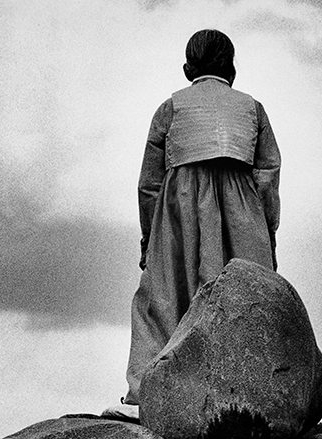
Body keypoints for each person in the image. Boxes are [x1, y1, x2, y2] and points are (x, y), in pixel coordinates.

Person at [122, 28, 281, 408]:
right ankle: (250, 395)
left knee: (162, 300)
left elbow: (149, 185)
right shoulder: (253, 109)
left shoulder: (170, 108)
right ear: (232, 69)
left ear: (187, 69)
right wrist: (267, 234)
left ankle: (147, 394)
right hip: (242, 215)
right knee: (246, 304)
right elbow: (267, 176)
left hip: (179, 214)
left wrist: (149, 242)